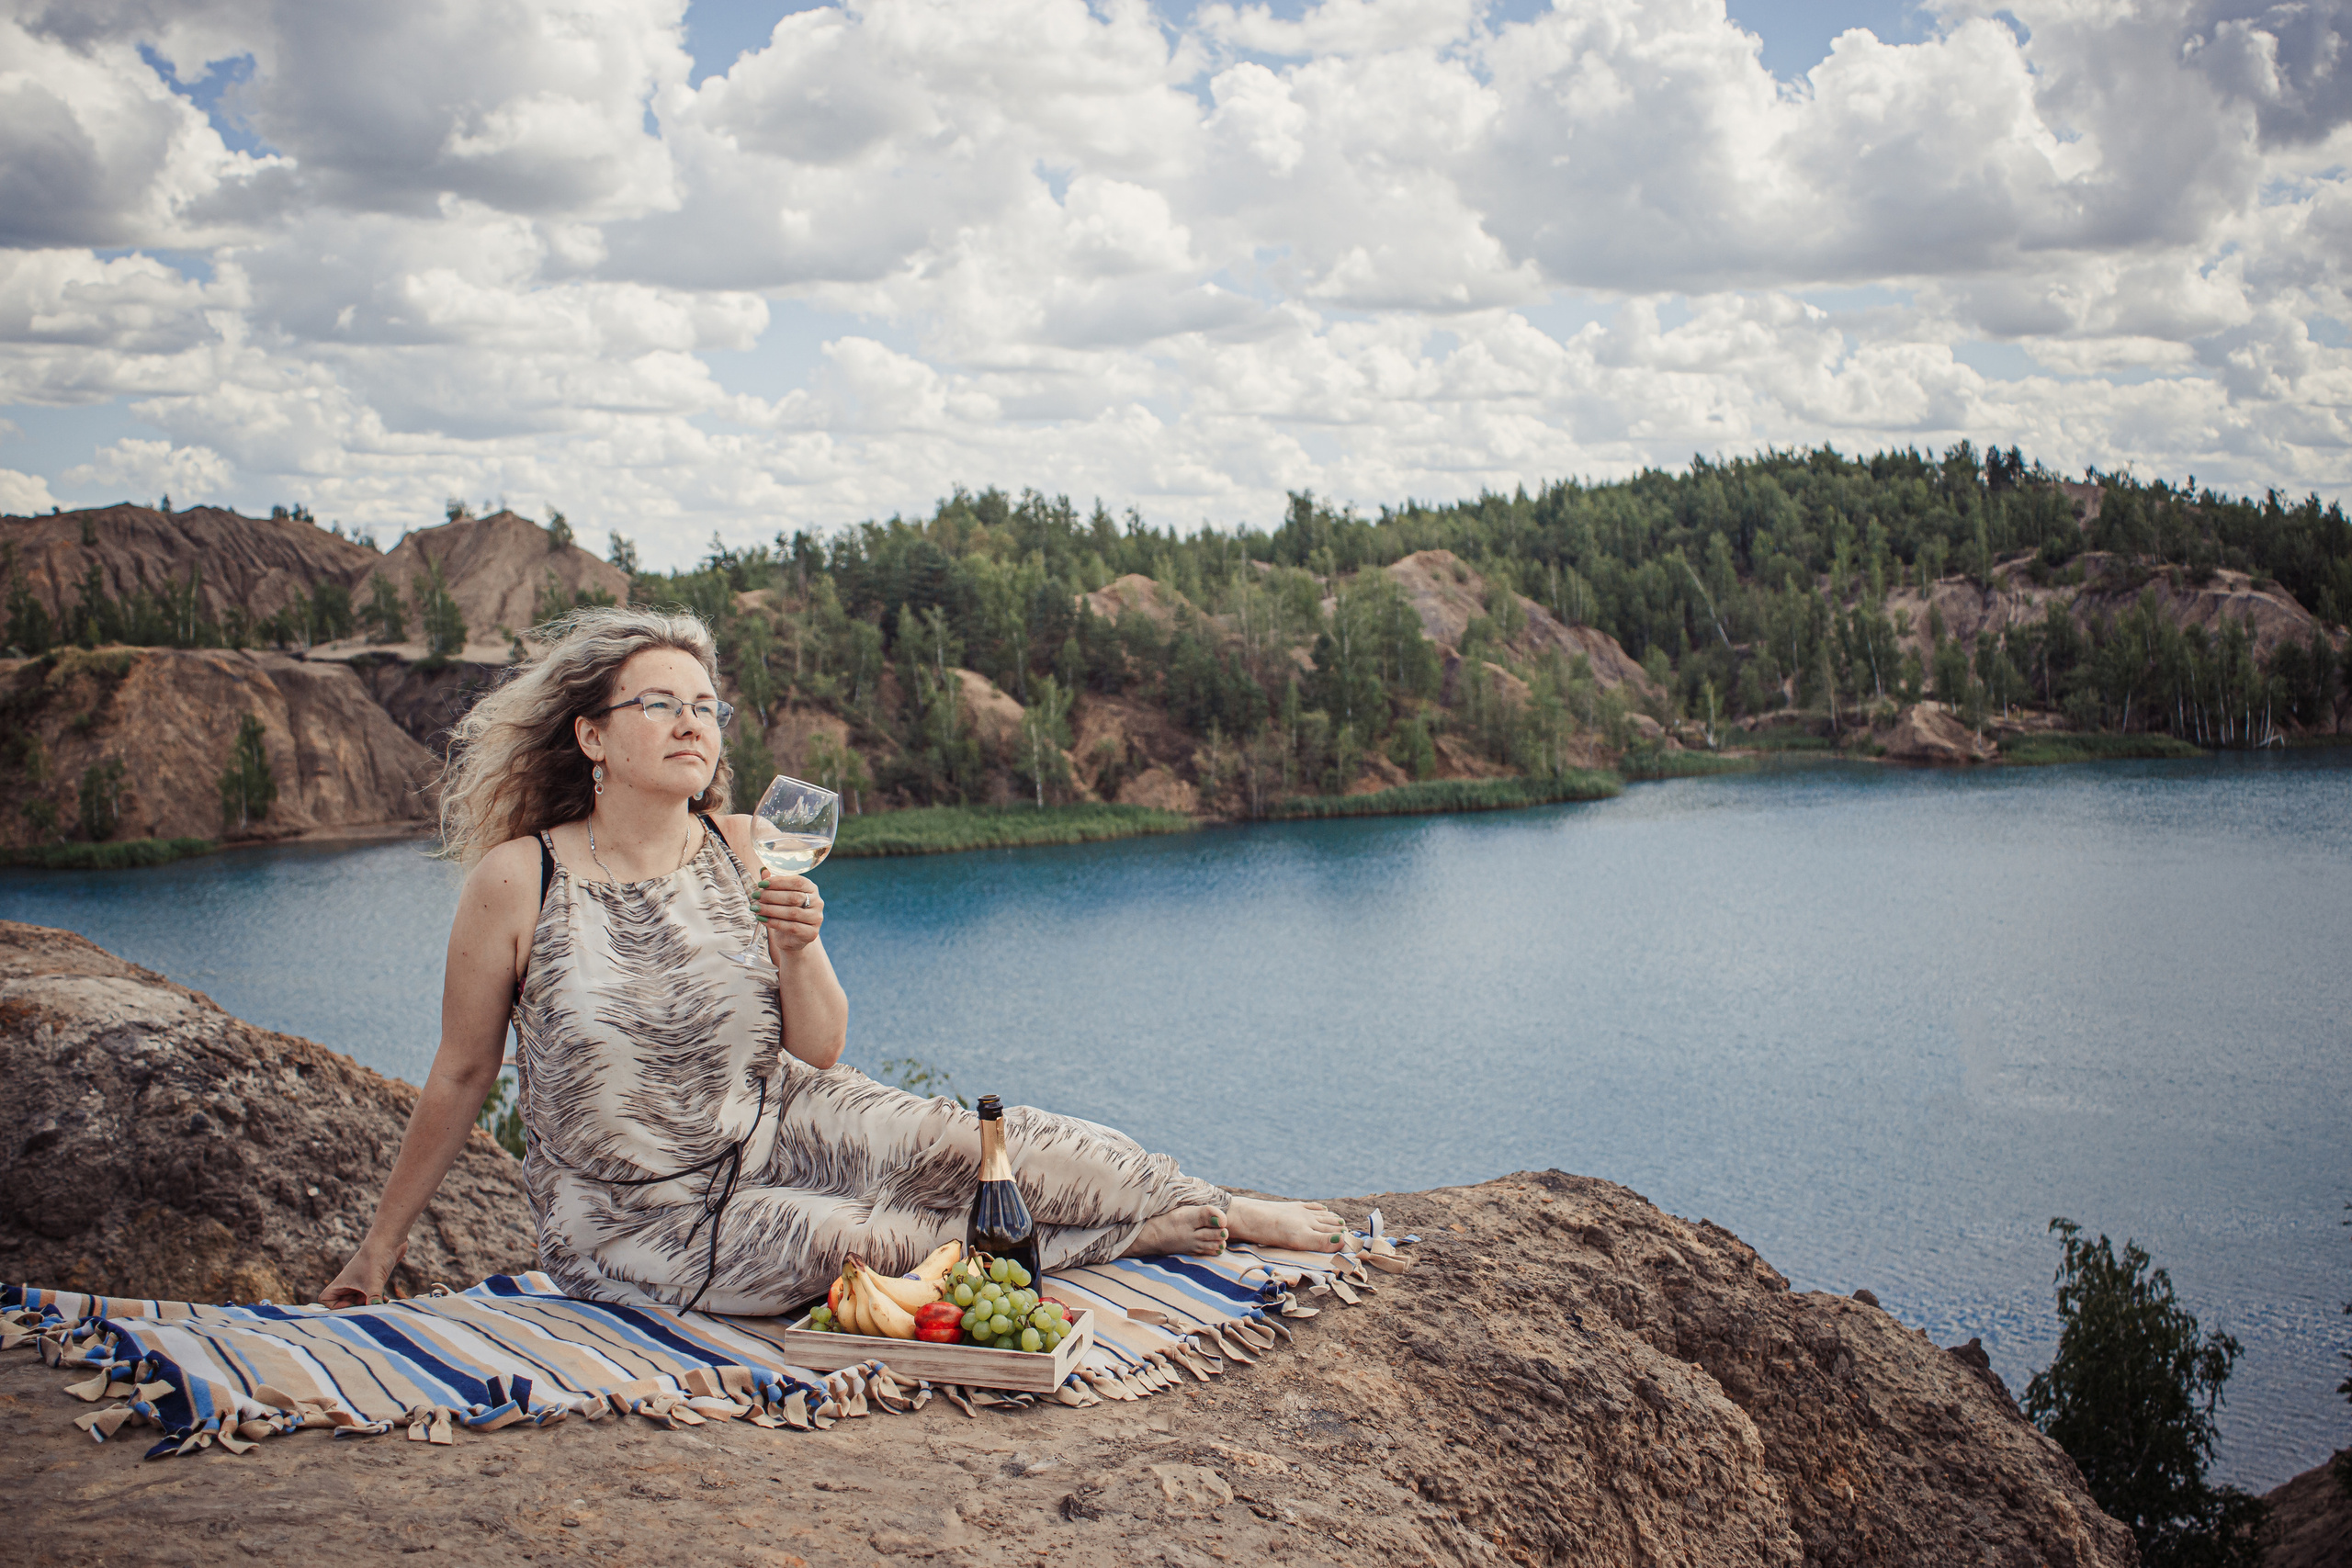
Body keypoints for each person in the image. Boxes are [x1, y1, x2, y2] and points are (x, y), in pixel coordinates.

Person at [319, 605, 1347, 1314]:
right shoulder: (520, 879)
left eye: (707, 708)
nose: (694, 725)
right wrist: (381, 1247)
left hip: (790, 1119)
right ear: (592, 737)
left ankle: (1216, 1203)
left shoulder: (745, 844)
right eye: (660, 705)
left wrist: (798, 946)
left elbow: (819, 1045)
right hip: (643, 1217)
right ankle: (1145, 1234)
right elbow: (462, 1073)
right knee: (881, 1247)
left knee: (1002, 1147)